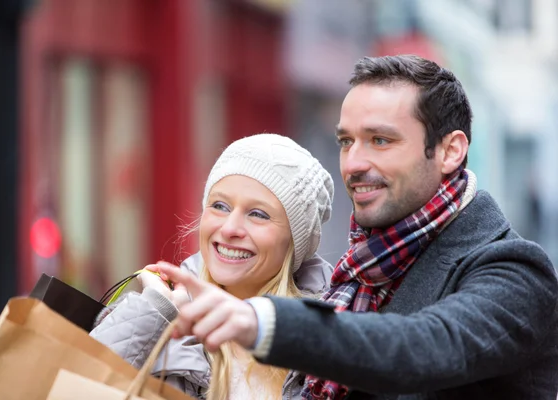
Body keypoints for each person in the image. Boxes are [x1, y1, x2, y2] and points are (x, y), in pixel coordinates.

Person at [156, 55, 558, 400]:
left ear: (450, 151)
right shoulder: (364, 269)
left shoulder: (515, 269)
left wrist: (262, 321)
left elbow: (422, 345)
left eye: (380, 140)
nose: (353, 163)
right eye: (347, 141)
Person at [90, 133, 335, 399]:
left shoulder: (330, 336)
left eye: (258, 214)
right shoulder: (154, 315)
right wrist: (156, 310)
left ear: (295, 240)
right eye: (219, 206)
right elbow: (72, 388)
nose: (229, 228)